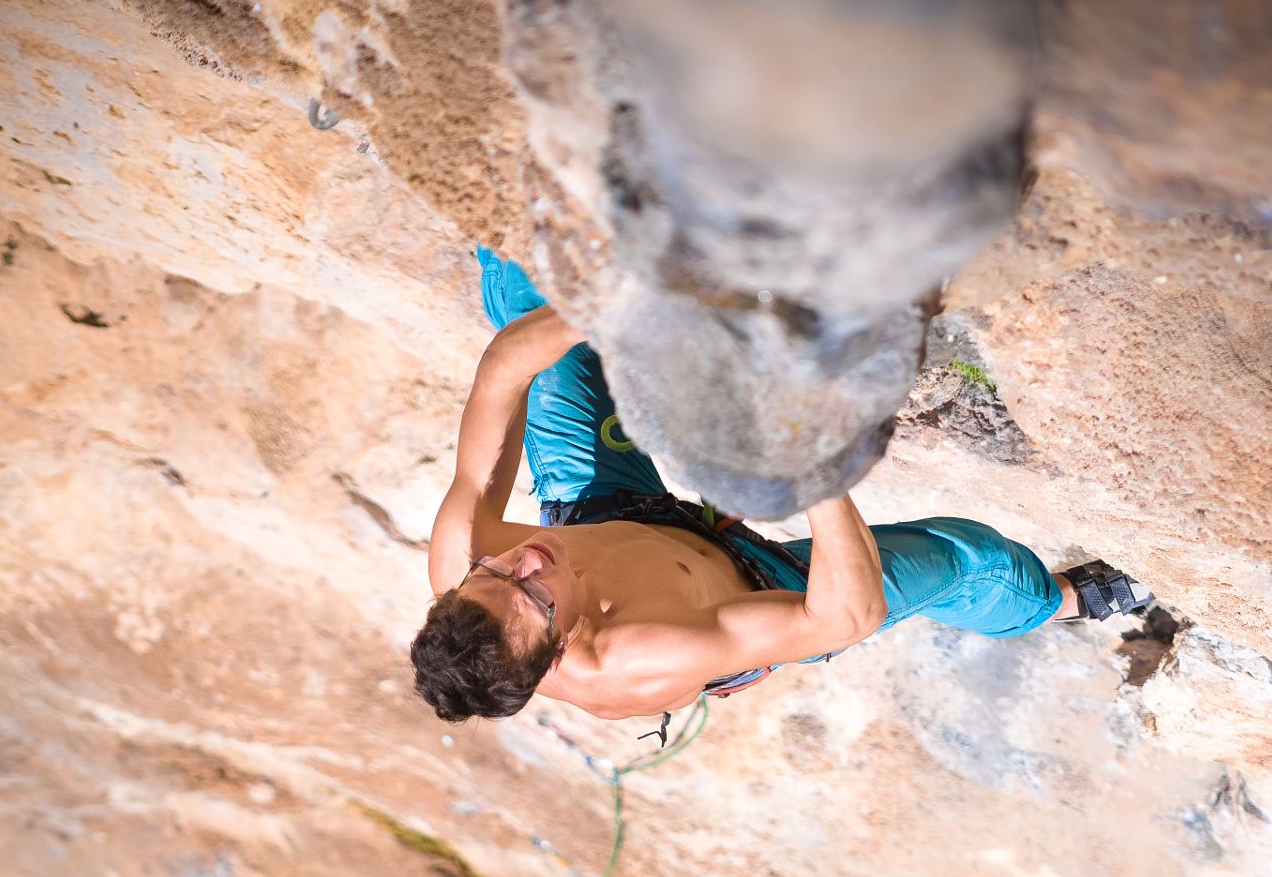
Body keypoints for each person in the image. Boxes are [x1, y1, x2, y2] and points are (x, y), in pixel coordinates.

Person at [410, 249, 1144, 728]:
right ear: (562, 643)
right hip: (747, 581)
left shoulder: (469, 557)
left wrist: (624, 299)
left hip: (603, 510)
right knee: (968, 559)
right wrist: (803, 461)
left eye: (494, 572)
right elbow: (844, 616)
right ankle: (1060, 603)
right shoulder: (642, 653)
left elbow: (505, 365)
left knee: (521, 280)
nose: (525, 558)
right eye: (532, 593)